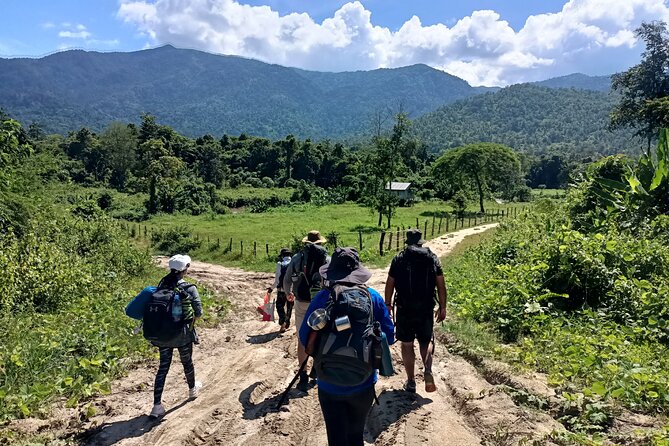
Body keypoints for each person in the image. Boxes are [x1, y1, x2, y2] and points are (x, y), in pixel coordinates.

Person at [299, 247, 394, 446]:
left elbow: (304, 335)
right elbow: (390, 337)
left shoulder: (323, 297)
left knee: (336, 439)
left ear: (332, 271)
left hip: (328, 382)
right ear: (358, 272)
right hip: (363, 380)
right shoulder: (372, 297)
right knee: (355, 436)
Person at [384, 228, 447, 393]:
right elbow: (441, 283)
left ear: (407, 241)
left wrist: (388, 304)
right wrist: (443, 306)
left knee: (406, 344)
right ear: (421, 241)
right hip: (425, 308)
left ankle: (411, 381)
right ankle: (427, 369)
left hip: (404, 308)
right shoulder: (432, 258)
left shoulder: (399, 258)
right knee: (426, 341)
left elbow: (390, 282)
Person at [149, 254, 203, 418]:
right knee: (187, 362)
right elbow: (199, 313)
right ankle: (192, 390)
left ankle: (157, 406)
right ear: (185, 269)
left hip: (163, 335)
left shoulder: (161, 286)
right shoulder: (189, 288)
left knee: (163, 368)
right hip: (182, 335)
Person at [283, 230, 329, 392]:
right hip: (320, 303)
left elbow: (286, 280)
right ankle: (315, 370)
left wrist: (289, 293)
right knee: (321, 336)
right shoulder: (326, 259)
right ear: (320, 243)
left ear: (306, 243)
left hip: (302, 302)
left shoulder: (296, 258)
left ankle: (302, 376)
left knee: (302, 339)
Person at [267, 247, 293, 332]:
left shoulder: (280, 264)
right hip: (292, 291)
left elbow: (277, 280)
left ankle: (282, 322)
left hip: (282, 289)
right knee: (289, 307)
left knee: (279, 306)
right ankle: (287, 322)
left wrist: (271, 288)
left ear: (282, 256)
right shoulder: (294, 263)